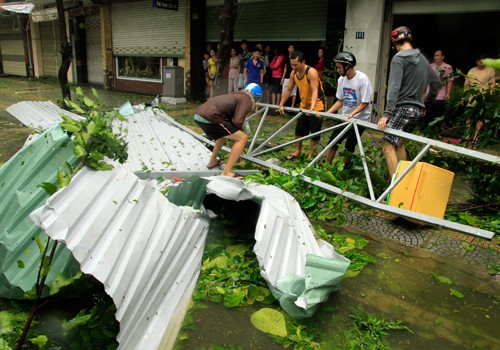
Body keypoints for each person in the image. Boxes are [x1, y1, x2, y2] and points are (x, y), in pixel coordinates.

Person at [377, 26, 440, 178]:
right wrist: (426, 103)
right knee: (400, 144)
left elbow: (394, 87)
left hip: (402, 108)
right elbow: (436, 83)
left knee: (387, 148)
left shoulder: (399, 58)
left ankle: (395, 190)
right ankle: (404, 184)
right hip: (417, 111)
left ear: (394, 41)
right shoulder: (424, 60)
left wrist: (386, 114)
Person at [193, 83, 263, 178]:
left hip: (198, 114)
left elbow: (231, 122)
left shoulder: (237, 95)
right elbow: (238, 121)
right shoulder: (247, 99)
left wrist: (236, 134)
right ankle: (226, 172)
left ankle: (212, 161)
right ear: (256, 97)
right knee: (242, 138)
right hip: (211, 116)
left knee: (223, 134)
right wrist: (239, 138)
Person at [325, 52, 373, 165]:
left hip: (360, 119)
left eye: (339, 67)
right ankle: (326, 166)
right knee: (333, 142)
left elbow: (365, 102)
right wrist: (327, 113)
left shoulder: (362, 79)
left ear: (347, 66)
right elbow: (340, 100)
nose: (337, 70)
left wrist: (352, 114)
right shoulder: (341, 80)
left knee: (349, 145)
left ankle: (345, 168)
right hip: (345, 117)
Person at [278, 50, 325, 159]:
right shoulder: (293, 73)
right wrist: (281, 104)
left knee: (314, 131)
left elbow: (315, 91)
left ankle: (312, 154)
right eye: (291, 64)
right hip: (304, 105)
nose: (293, 67)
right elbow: (288, 89)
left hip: (317, 104)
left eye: (296, 64)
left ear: (303, 62)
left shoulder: (311, 72)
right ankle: (297, 151)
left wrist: (312, 109)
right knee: (299, 130)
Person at [463, 54, 496, 144]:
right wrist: (464, 97)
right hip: (472, 96)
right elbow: (466, 85)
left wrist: (490, 92)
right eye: (480, 62)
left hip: (483, 96)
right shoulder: (472, 70)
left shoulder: (490, 70)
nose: (482, 63)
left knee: (480, 117)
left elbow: (492, 83)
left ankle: (475, 136)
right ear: (476, 61)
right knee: (469, 116)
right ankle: (467, 135)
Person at [421, 49, 454, 130]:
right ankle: (423, 130)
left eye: (438, 55)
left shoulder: (447, 67)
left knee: (438, 114)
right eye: (435, 55)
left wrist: (448, 93)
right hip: (430, 94)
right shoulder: (430, 66)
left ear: (442, 57)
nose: (435, 57)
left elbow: (450, 81)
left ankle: (436, 131)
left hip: (440, 95)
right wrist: (424, 92)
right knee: (426, 113)